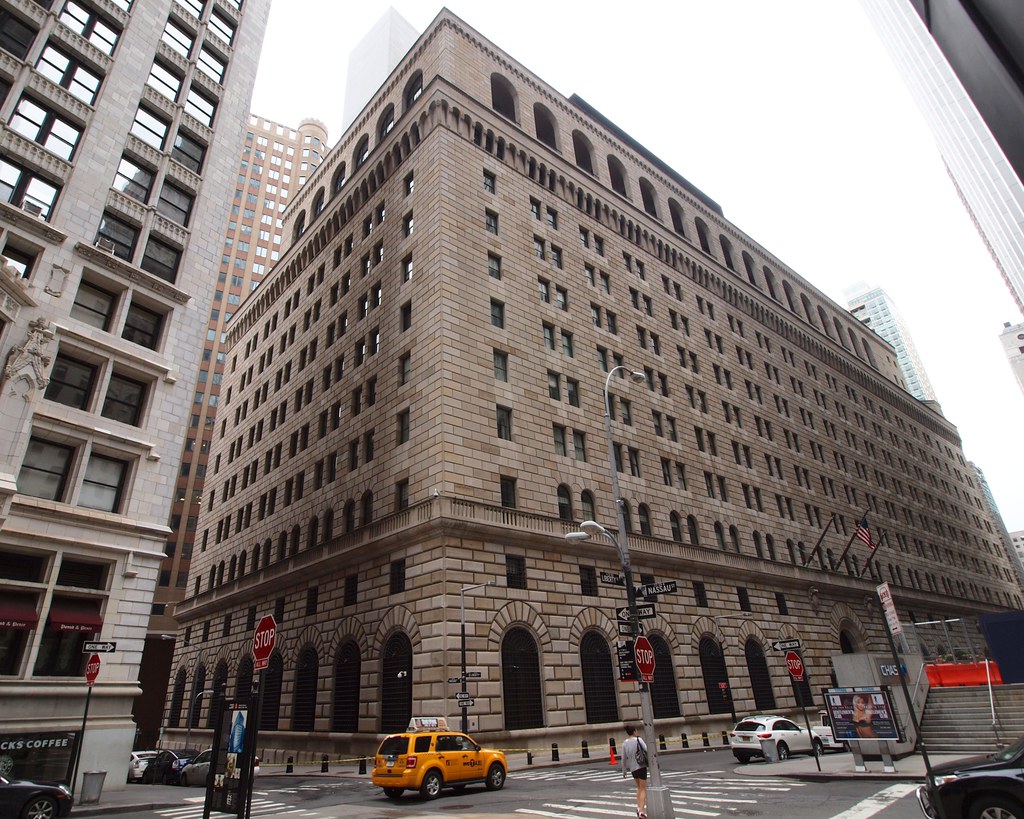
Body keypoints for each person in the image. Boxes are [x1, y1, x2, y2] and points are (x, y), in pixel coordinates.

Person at [620, 724, 648, 819]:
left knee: (639, 787)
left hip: (632, 769)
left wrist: (624, 771)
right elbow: (647, 750)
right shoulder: (639, 740)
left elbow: (623, 758)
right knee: (643, 788)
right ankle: (641, 810)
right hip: (641, 766)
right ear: (634, 731)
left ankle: (638, 807)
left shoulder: (625, 743)